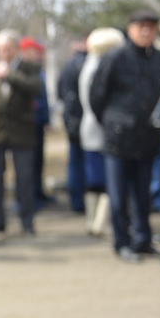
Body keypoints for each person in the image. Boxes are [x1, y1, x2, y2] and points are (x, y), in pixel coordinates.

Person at [89, 9, 160, 262]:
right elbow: (97, 96)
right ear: (130, 29)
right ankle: (121, 241)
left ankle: (143, 239)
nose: (146, 31)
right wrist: (112, 122)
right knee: (118, 193)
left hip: (148, 138)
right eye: (141, 26)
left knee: (143, 193)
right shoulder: (115, 58)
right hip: (119, 138)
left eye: (150, 27)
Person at [0, 29, 42, 235]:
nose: (4, 52)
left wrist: (10, 75)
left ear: (16, 48)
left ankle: (27, 221)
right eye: (0, 49)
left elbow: (36, 88)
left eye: (8, 48)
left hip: (21, 132)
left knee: (24, 178)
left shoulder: (28, 67)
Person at [78, 28, 124, 236]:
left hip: (89, 128)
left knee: (94, 177)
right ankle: (100, 222)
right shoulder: (101, 67)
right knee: (106, 178)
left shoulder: (88, 64)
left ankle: (93, 221)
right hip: (101, 127)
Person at [19, 37, 54, 207]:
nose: (40, 56)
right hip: (27, 123)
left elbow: (44, 98)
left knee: (39, 160)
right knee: (29, 163)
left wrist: (47, 119)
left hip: (39, 121)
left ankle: (38, 193)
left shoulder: (38, 70)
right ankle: (28, 198)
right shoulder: (22, 70)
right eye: (36, 52)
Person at [59, 36, 89, 213]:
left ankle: (76, 199)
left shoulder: (68, 64)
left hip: (71, 118)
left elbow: (59, 90)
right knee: (82, 162)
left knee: (75, 161)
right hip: (82, 119)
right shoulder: (84, 63)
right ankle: (80, 200)